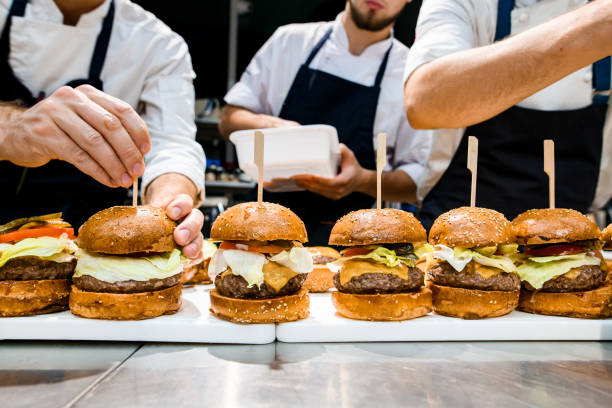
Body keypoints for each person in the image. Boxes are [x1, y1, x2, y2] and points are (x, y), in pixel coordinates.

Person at [0, 0, 206, 258]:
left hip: (94, 242)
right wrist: (12, 127)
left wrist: (169, 202)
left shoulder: (157, 43)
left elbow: (172, 144)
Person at [218, 0, 430, 244]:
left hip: (351, 241)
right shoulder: (289, 41)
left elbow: (418, 180)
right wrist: (274, 127)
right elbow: (229, 119)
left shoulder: (410, 73)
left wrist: (361, 180)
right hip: (259, 227)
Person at [403, 0, 612, 230]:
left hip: (570, 239)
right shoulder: (472, 4)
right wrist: (600, 25)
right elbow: (426, 101)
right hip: (453, 241)